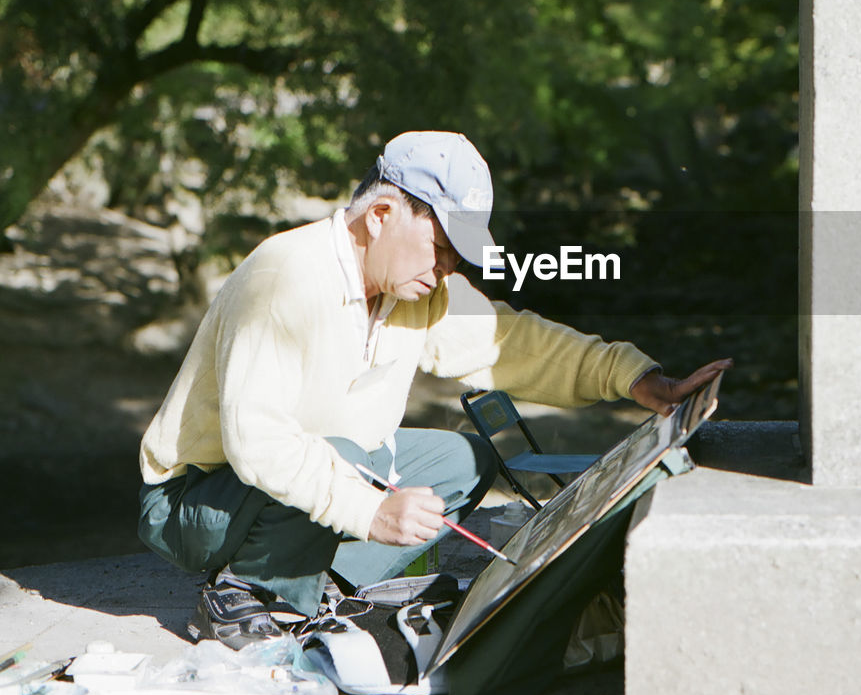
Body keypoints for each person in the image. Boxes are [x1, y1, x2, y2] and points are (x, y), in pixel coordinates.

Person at [137, 130, 729, 649]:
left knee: (466, 459)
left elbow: (511, 341)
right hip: (194, 499)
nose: (448, 267)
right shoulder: (283, 275)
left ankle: (322, 585)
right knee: (337, 457)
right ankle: (244, 595)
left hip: (324, 467)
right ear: (382, 215)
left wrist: (637, 378)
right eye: (442, 247)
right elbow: (258, 440)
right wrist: (371, 510)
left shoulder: (415, 290)